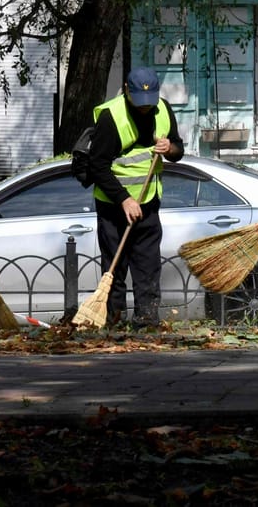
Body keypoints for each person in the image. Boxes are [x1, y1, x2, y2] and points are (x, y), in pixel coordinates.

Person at [88, 66, 184, 328]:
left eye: (149, 102)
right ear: (127, 91)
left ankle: (147, 320)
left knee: (148, 266)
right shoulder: (112, 117)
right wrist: (124, 199)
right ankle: (114, 321)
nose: (145, 108)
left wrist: (170, 148)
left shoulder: (163, 109)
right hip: (113, 206)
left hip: (148, 203)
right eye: (139, 103)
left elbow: (178, 149)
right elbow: (98, 166)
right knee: (115, 267)